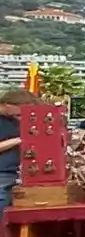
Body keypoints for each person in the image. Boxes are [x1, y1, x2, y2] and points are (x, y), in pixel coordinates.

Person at [0, 89, 36, 217]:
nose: (24, 114)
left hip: (15, 172)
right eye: (21, 110)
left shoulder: (13, 120)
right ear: (8, 105)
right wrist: (19, 140)